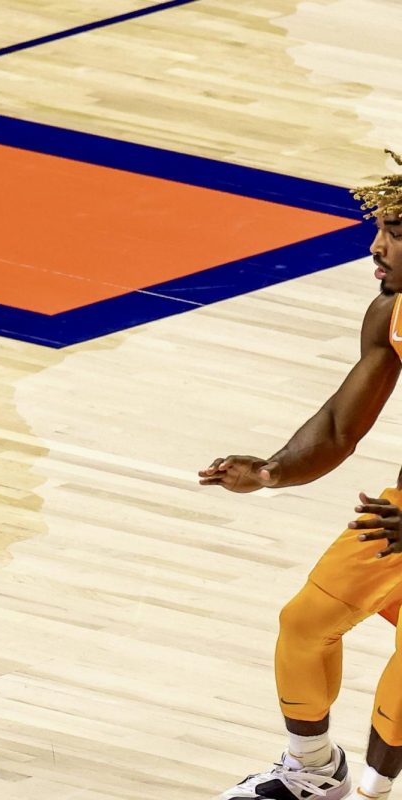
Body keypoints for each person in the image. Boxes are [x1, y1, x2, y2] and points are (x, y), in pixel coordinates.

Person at [200, 150, 402, 800]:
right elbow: (343, 426)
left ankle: (374, 793)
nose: (376, 245)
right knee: (305, 622)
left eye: (396, 233)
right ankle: (312, 769)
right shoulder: (391, 313)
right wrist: (271, 469)